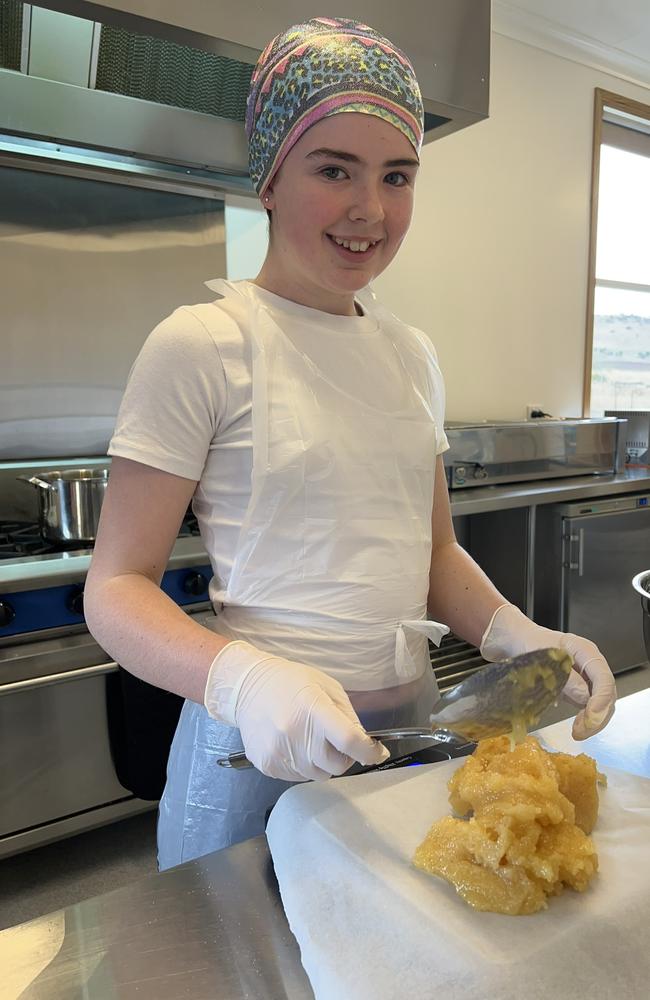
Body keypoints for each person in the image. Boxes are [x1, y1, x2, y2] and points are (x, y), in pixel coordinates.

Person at [84, 17, 617, 871]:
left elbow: (432, 549)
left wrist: (519, 635)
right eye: (334, 169)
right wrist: (249, 683)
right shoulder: (203, 343)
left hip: (410, 733)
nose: (370, 210)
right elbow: (114, 588)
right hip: (259, 744)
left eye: (396, 175)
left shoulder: (410, 353)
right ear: (269, 178)